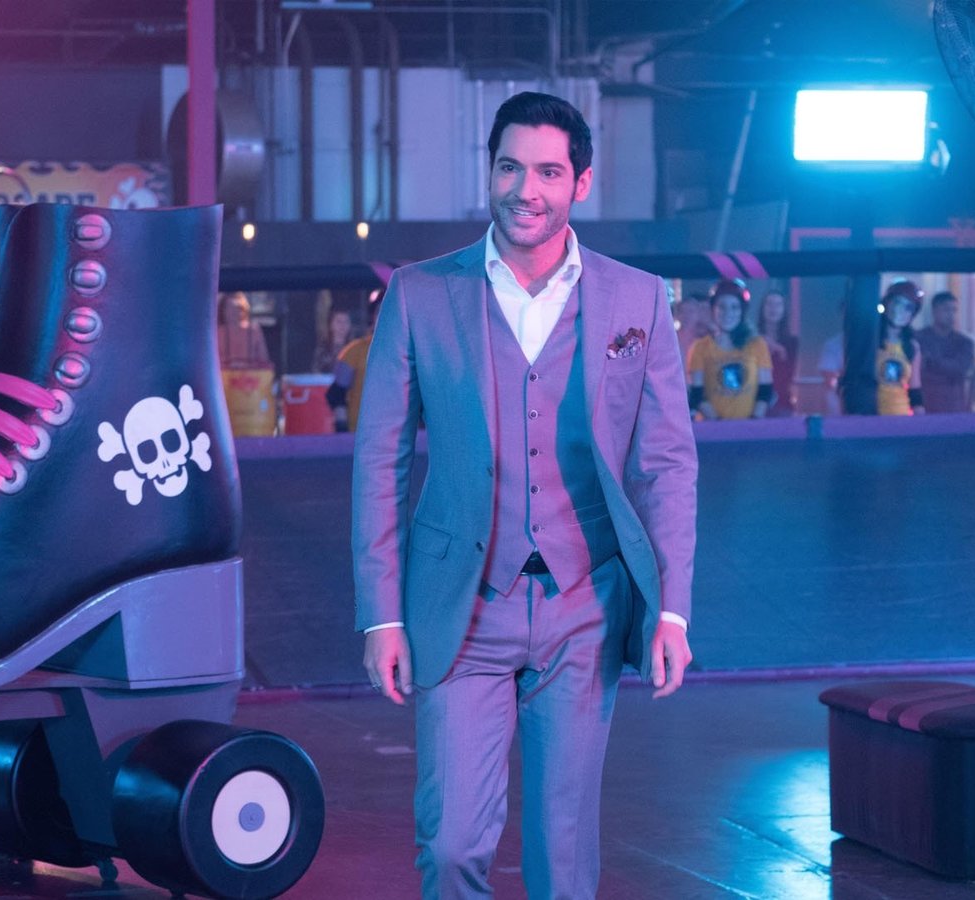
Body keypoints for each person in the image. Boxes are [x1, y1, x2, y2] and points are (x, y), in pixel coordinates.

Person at [352, 91, 696, 900]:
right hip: (461, 603)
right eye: (510, 168)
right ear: (491, 172)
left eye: (547, 172)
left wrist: (673, 611)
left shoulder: (638, 299)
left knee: (562, 858)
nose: (525, 189)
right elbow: (378, 461)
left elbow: (667, 464)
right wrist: (381, 615)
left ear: (581, 182)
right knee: (450, 846)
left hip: (586, 603)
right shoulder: (419, 293)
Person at [686, 280, 774, 420]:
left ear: (742, 311)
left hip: (749, 426)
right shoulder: (700, 347)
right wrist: (721, 426)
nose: (728, 313)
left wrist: (753, 422)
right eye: (722, 307)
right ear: (713, 309)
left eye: (734, 307)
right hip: (712, 427)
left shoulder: (757, 344)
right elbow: (697, 393)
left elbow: (765, 390)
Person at [327, 290, 381, 433]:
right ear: (373, 317)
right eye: (380, 311)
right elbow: (336, 395)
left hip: (401, 436)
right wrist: (342, 428)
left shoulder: (410, 354)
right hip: (361, 434)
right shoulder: (355, 351)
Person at [914, 291, 975, 413]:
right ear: (934, 311)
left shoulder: (964, 343)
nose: (951, 315)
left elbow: (960, 368)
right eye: (946, 310)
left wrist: (932, 362)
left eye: (954, 310)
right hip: (926, 405)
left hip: (954, 406)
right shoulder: (919, 339)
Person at [875, 280, 925, 416]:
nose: (900, 311)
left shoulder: (912, 346)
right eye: (897, 303)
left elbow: (915, 388)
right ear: (887, 304)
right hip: (872, 417)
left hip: (901, 416)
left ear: (912, 314)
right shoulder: (871, 342)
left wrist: (921, 420)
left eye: (908, 307)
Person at [754, 289, 797, 416]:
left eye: (778, 305)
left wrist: (778, 349)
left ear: (784, 310)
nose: (773, 309)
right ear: (763, 308)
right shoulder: (752, 339)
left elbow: (788, 373)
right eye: (769, 304)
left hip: (782, 401)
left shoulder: (792, 342)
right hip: (753, 400)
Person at [217, 290, 272, 368]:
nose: (232, 313)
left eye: (236, 309)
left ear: (242, 309)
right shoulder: (218, 333)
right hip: (224, 373)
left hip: (251, 373)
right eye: (229, 309)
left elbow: (263, 359)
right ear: (223, 310)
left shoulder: (253, 330)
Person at [312, 303, 355, 375]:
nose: (342, 326)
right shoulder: (323, 349)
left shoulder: (354, 348)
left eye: (346, 321)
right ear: (331, 324)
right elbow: (316, 372)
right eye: (339, 322)